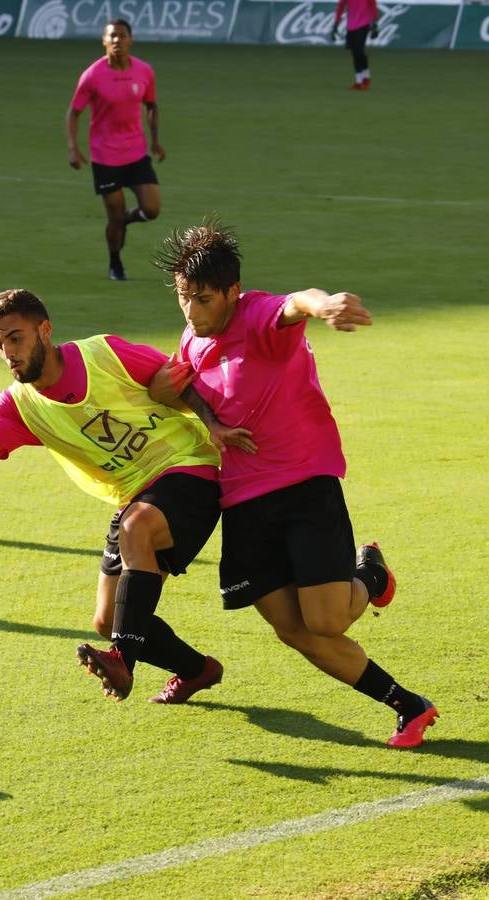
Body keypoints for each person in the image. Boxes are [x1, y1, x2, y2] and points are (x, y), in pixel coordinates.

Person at [150, 221, 439, 749]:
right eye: (183, 297)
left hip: (303, 485)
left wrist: (324, 303)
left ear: (233, 293)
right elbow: (184, 381)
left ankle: (368, 576)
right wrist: (208, 421)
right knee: (293, 630)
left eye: (204, 299)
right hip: (241, 501)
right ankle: (408, 705)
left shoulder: (259, 316)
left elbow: (296, 302)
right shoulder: (194, 335)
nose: (192, 311)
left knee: (325, 621)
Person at [0, 288, 248, 705]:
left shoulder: (104, 354)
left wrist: (216, 426)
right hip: (136, 494)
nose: (7, 353)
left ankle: (121, 662)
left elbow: (182, 379)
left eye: (15, 338)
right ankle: (196, 669)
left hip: (189, 468)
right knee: (109, 618)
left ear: (44, 329)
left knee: (135, 530)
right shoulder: (18, 405)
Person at [66, 19, 165, 281]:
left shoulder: (144, 71)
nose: (117, 40)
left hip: (135, 152)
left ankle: (125, 221)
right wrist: (73, 148)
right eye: (112, 36)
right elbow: (74, 112)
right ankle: (115, 263)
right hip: (105, 157)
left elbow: (152, 106)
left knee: (152, 209)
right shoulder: (93, 75)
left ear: (130, 39)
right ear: (104, 41)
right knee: (114, 214)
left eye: (122, 35)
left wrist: (155, 140)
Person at [330, 0, 379, 91]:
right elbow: (341, 6)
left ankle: (365, 78)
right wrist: (336, 24)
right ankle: (359, 82)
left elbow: (372, 5)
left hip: (364, 23)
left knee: (358, 49)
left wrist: (375, 23)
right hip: (351, 25)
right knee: (355, 52)